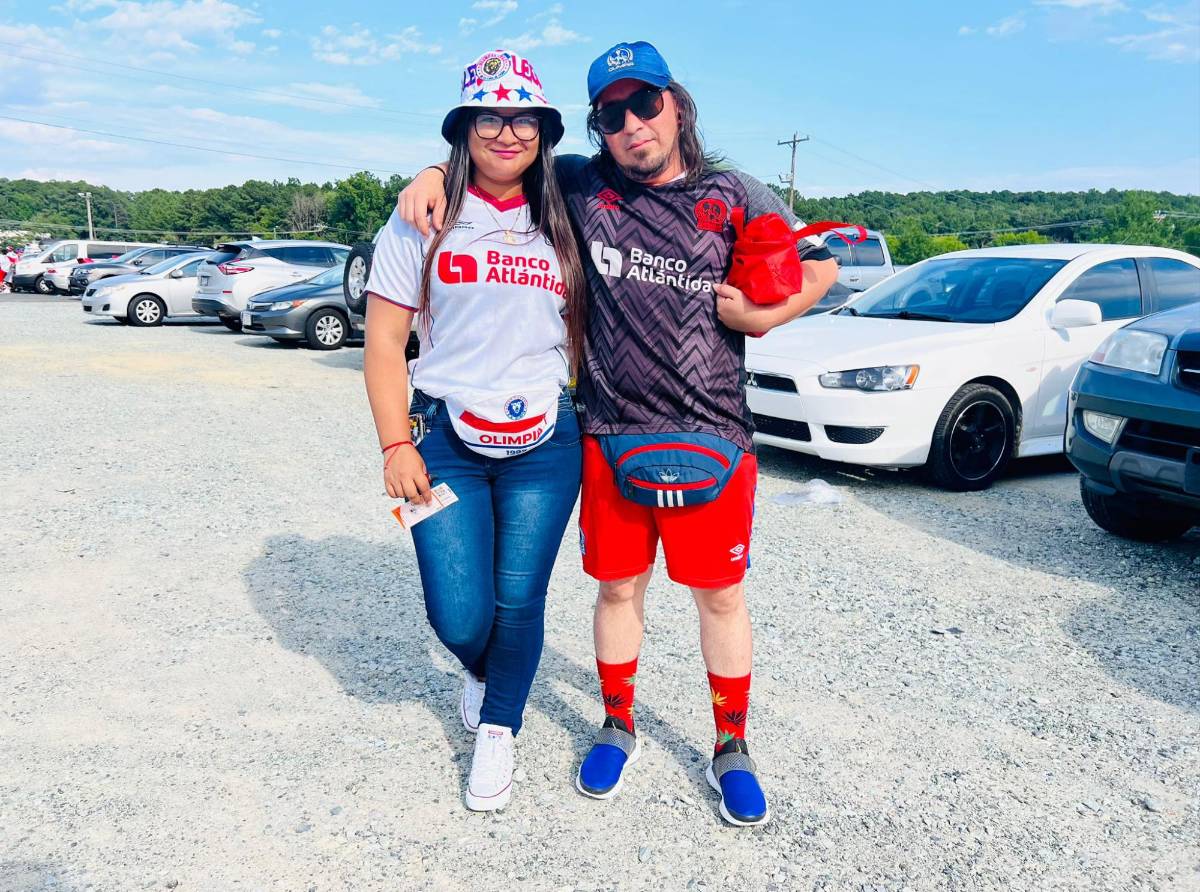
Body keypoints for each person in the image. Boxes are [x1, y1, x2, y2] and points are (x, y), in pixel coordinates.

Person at [397, 41, 838, 827]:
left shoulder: (736, 192)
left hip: (715, 428)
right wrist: (429, 174)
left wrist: (767, 315)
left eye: (645, 105)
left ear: (676, 105)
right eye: (611, 114)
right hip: (606, 429)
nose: (632, 125)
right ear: (597, 128)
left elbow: (823, 265)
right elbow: (494, 163)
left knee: (720, 598)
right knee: (617, 589)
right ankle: (617, 724)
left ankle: (731, 745)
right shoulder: (580, 185)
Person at [362, 48, 586, 813]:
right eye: (489, 115)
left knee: (519, 600)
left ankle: (500, 728)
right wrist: (395, 443)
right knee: (456, 611)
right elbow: (386, 343)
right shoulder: (420, 215)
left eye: (524, 117)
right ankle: (484, 670)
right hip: (441, 434)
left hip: (545, 442)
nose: (506, 131)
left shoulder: (567, 213)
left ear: (544, 130)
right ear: (464, 127)